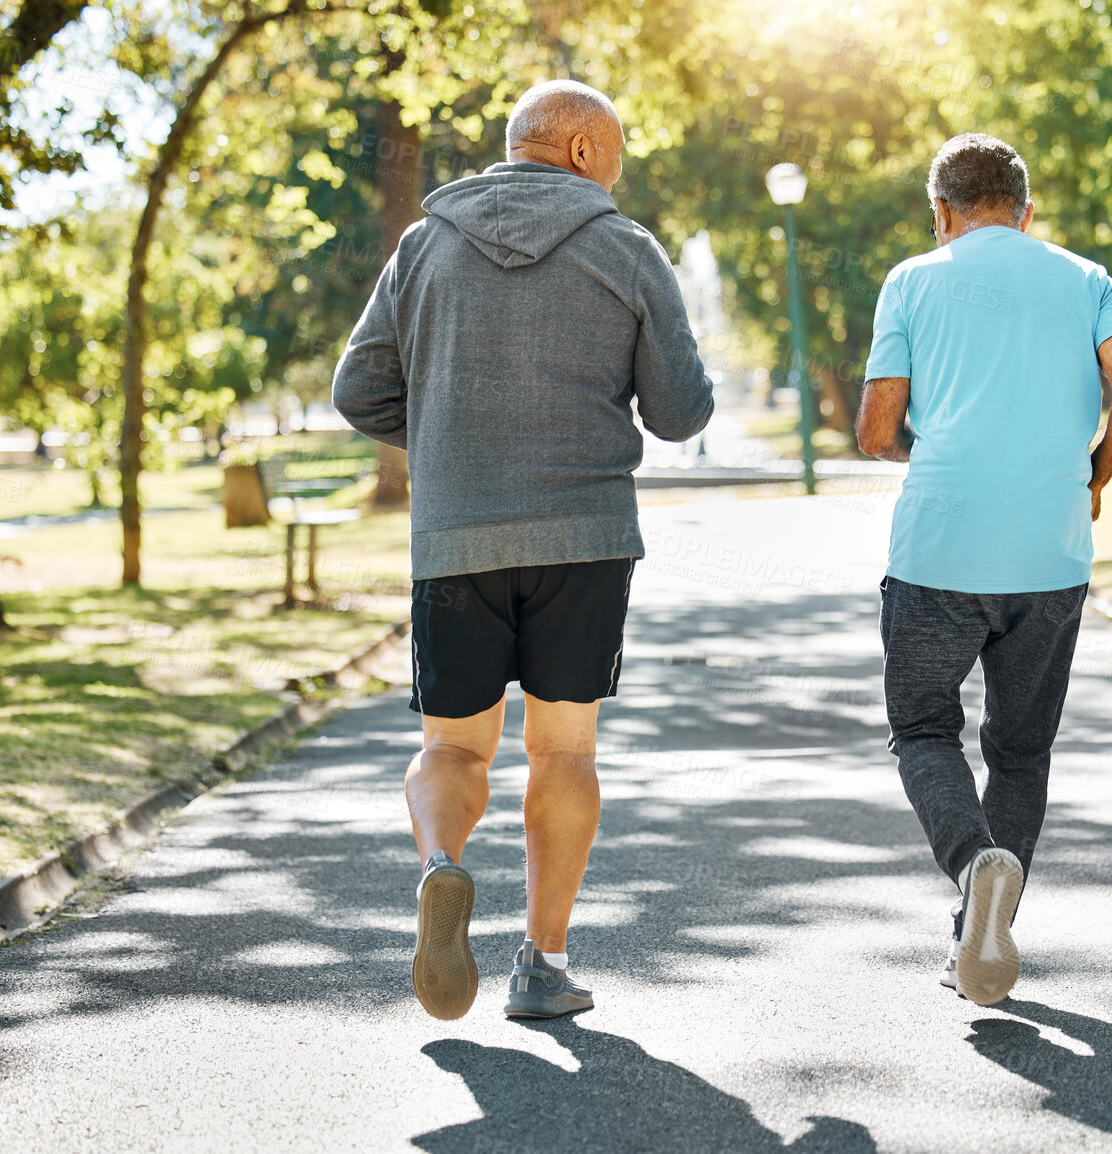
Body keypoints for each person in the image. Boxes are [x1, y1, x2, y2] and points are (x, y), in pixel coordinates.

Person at [332, 80, 714, 1021]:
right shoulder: (625, 248)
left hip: (454, 533)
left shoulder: (421, 245)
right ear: (582, 151)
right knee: (563, 753)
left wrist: (443, 438)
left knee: (454, 744)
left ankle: (443, 864)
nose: (619, 171)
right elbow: (680, 413)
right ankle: (541, 961)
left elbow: (356, 391)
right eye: (617, 150)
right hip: (581, 539)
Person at [855, 133, 1112, 1006]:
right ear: (1025, 212)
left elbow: (877, 433)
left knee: (921, 730)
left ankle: (971, 867)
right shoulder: (1083, 277)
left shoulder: (912, 279)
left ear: (940, 213)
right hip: (1050, 553)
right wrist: (1094, 473)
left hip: (939, 554)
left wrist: (940, 448)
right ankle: (977, 938)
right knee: (1020, 754)